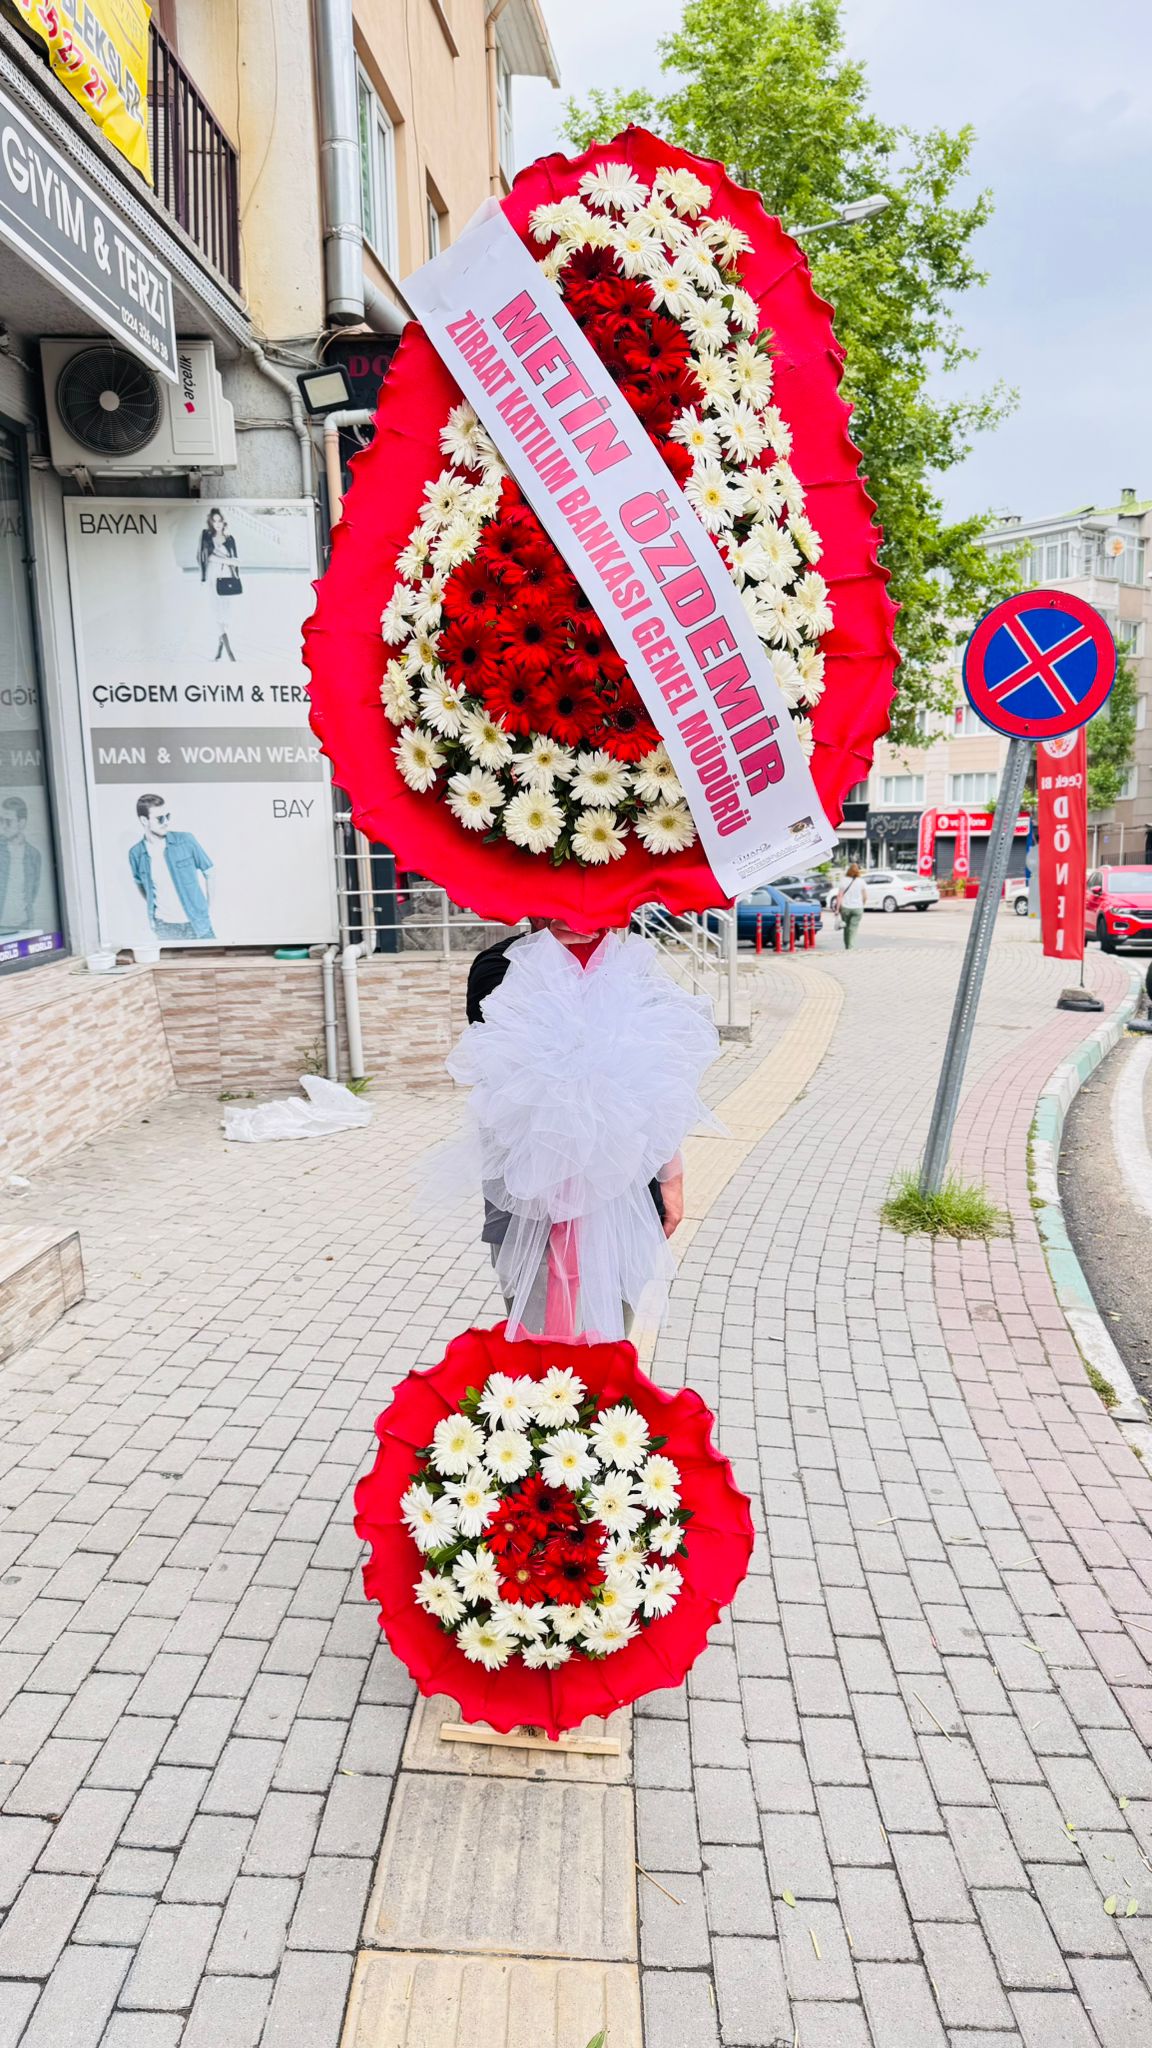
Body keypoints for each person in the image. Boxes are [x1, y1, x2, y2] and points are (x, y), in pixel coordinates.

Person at [460, 916, 705, 1339]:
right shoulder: (500, 966)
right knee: (538, 1351)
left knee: (610, 1345)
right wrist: (552, 954)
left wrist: (672, 1177)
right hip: (531, 1199)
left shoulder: (634, 967)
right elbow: (528, 1069)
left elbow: (659, 1086)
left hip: (625, 1192)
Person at [129, 794, 216, 940]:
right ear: (144, 820)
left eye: (167, 816)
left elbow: (210, 872)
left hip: (197, 923)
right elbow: (141, 885)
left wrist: (208, 909)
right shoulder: (136, 853)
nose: (166, 822)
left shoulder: (186, 840)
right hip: (165, 927)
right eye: (160, 819)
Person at [197, 508, 241, 662]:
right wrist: (227, 560)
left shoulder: (230, 539)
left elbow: (236, 560)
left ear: (224, 522)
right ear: (211, 522)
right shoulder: (206, 536)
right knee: (215, 613)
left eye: (219, 520)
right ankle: (230, 653)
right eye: (214, 521)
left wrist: (233, 565)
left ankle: (220, 646)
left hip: (226, 577)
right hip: (212, 577)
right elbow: (206, 557)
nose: (217, 524)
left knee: (225, 614)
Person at [0, 795, 42, 933]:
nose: (3, 826)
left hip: (23, 925)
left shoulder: (33, 855)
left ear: (21, 823)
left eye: (8, 822)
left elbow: (33, 891)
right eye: (1, 820)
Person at [835, 862, 866, 949]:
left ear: (848, 870)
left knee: (846, 927)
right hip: (858, 908)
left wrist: (837, 909)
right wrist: (862, 905)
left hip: (846, 908)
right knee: (853, 928)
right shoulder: (861, 881)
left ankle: (847, 946)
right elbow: (865, 896)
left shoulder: (844, 880)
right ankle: (850, 947)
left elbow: (840, 895)